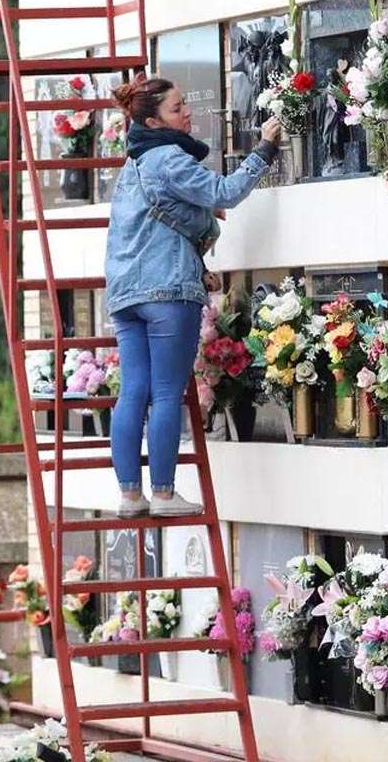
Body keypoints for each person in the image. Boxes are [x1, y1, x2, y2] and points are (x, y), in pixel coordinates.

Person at [106, 76, 281, 519]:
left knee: (133, 392)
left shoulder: (132, 168)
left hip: (126, 295)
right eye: (177, 108)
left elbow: (160, 226)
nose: (188, 113)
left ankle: (130, 495)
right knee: (166, 393)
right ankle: (163, 493)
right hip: (167, 294)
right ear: (153, 120)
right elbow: (226, 192)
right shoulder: (168, 158)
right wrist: (263, 149)